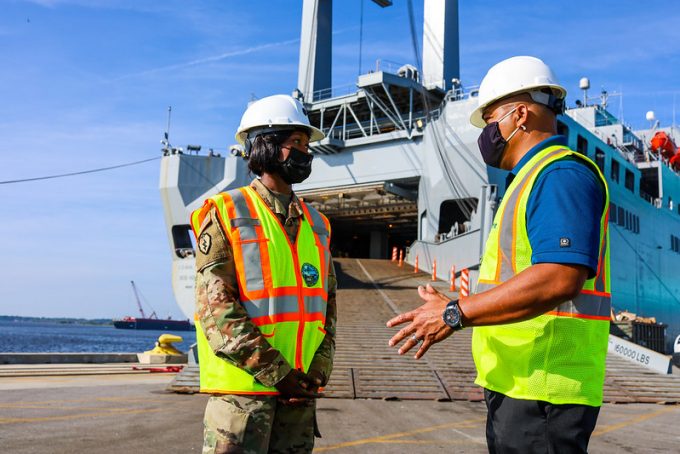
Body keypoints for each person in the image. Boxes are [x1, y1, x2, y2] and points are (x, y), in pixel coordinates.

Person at [387, 56, 610, 453]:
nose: (487, 134)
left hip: (544, 392)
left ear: (520, 115)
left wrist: (456, 312)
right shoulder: (527, 179)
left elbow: (560, 277)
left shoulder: (559, 174)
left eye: (491, 121)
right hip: (518, 385)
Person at [190, 94, 336, 454]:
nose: (304, 153)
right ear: (264, 147)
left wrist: (317, 370)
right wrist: (277, 374)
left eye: (306, 144)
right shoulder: (225, 211)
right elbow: (216, 309)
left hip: (298, 394)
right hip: (243, 399)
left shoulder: (318, 224)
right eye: (295, 143)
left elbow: (327, 307)